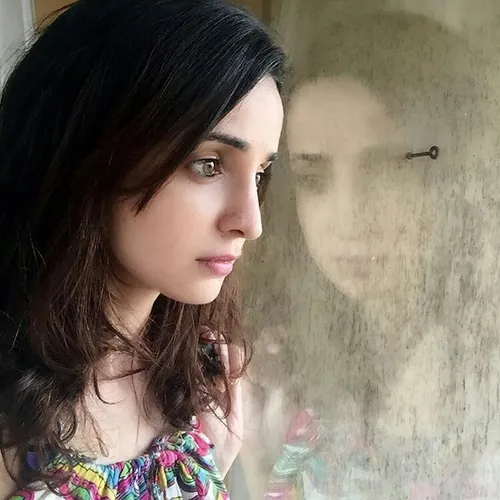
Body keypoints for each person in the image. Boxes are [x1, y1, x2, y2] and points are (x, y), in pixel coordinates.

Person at [0, 0, 285, 498]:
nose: (250, 223)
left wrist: (211, 467)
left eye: (260, 174)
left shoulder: (202, 381)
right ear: (92, 154)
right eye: (209, 165)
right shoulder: (14, 421)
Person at [240, 11, 500, 499]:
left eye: (386, 171)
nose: (348, 218)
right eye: (313, 178)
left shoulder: (482, 374)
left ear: (457, 179)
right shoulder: (271, 366)